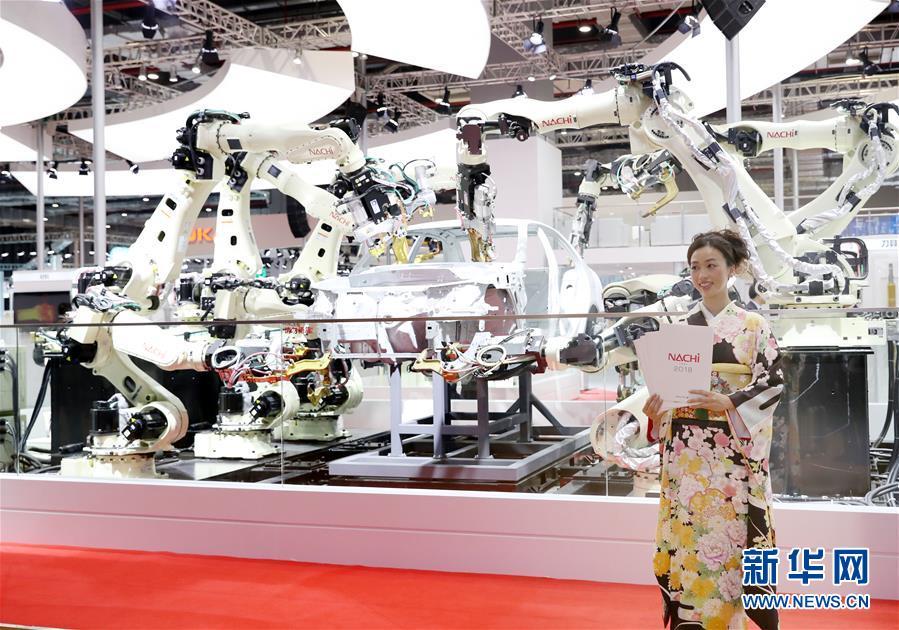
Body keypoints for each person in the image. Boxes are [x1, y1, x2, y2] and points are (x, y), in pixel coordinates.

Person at [642, 230, 784, 630]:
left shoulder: (753, 325)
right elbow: (664, 394)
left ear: (732, 268)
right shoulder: (678, 328)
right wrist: (656, 413)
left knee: (731, 541)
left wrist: (730, 401)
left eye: (711, 265)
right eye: (695, 267)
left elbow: (773, 383)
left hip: (732, 459)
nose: (702, 275)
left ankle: (731, 620)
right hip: (687, 457)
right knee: (690, 539)